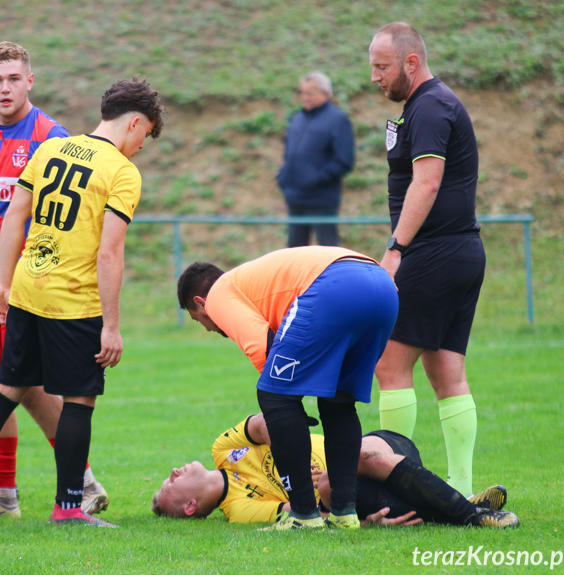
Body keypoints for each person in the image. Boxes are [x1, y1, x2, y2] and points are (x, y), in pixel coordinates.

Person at [0, 76, 165, 527]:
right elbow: (109, 251)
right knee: (79, 400)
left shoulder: (51, 148)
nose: (142, 146)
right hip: (73, 301)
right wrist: (112, 326)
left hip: (26, 287)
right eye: (147, 136)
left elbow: (14, 216)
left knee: (6, 389)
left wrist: (4, 284)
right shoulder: (121, 172)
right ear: (135, 123)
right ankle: (68, 508)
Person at [177, 247, 398, 530]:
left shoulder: (219, 294)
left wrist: (284, 410)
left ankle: (303, 514)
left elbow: (265, 350)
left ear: (201, 302)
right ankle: (344, 513)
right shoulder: (250, 283)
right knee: (338, 401)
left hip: (334, 285)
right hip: (382, 286)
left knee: (273, 396)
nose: (208, 328)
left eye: (199, 319)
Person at [369, 22, 485, 498]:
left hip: (433, 253)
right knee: (446, 374)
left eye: (382, 66)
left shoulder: (432, 107)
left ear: (410, 63)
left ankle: (399, 488)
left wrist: (396, 249)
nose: (374, 76)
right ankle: (460, 488)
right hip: (461, 252)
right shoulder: (427, 105)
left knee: (388, 366)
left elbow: (428, 183)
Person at [151, 413, 518, 528]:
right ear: (189, 506)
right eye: (171, 484)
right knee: (330, 484)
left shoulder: (223, 449)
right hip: (357, 489)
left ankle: (466, 511)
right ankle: (472, 511)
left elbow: (266, 423)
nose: (173, 470)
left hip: (380, 445)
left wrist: (282, 434)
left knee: (361, 451)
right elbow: (314, 512)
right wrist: (366, 522)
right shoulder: (239, 510)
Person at [276, 71, 354, 248]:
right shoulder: (297, 119)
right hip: (295, 198)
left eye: (309, 93)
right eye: (302, 93)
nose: (305, 97)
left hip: (321, 200)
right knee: (293, 253)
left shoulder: (338, 120)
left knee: (329, 251)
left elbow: (344, 160)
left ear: (325, 93)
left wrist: (316, 179)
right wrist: (283, 176)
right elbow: (288, 154)